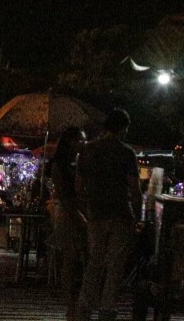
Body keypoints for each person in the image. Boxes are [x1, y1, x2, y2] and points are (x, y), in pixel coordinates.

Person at [75, 108, 141, 321]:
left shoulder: (87, 150)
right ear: (124, 128)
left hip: (95, 212)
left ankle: (85, 306)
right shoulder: (126, 152)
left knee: (94, 261)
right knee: (115, 263)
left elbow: (79, 185)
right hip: (120, 213)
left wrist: (86, 207)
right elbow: (134, 188)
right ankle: (107, 308)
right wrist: (138, 214)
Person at [51, 126, 88, 321]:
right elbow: (64, 195)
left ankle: (78, 303)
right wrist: (77, 215)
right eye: (80, 140)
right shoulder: (60, 164)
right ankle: (71, 304)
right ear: (69, 142)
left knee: (80, 258)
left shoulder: (81, 162)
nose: (83, 143)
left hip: (81, 212)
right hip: (67, 213)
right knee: (70, 258)